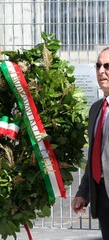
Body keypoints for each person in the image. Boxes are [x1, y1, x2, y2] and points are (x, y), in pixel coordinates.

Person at [72, 47, 109, 240]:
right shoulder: (96, 109)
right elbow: (94, 156)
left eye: (107, 66)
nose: (101, 71)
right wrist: (83, 192)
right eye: (98, 66)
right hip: (102, 195)